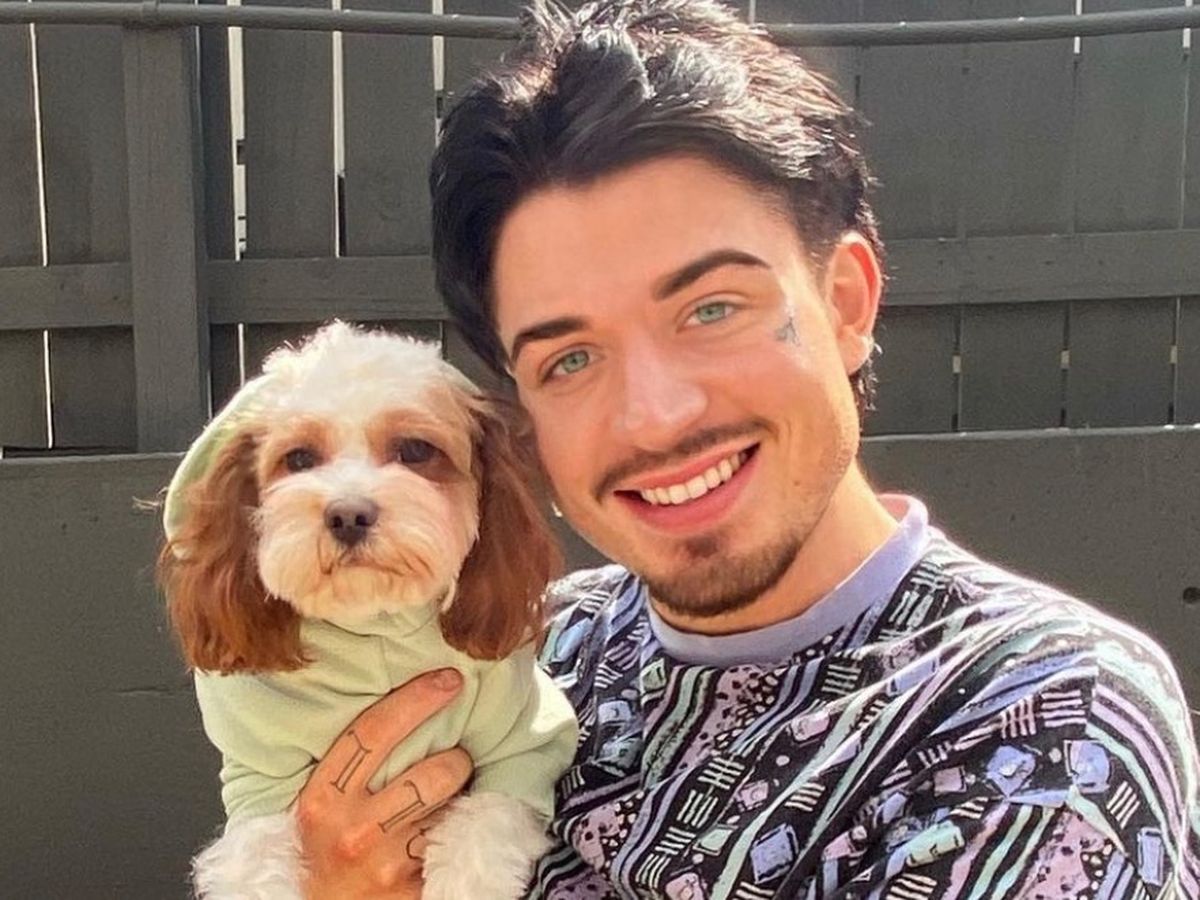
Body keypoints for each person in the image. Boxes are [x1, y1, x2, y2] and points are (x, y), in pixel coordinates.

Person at [294, 0, 1200, 896]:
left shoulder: (1040, 718)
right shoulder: (531, 654)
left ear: (845, 303)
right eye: (569, 359)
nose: (654, 417)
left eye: (712, 309)